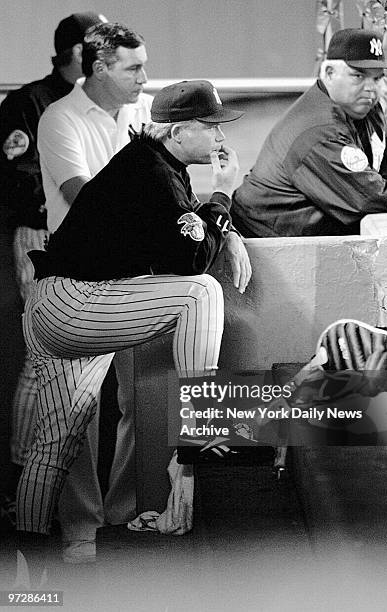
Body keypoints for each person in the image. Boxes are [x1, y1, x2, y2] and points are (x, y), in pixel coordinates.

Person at [16, 79, 244, 549]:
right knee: (199, 292)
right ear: (177, 132)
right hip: (78, 302)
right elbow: (193, 260)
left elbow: (179, 238)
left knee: (54, 446)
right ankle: (202, 422)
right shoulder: (153, 170)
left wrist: (225, 227)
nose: (222, 138)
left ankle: (31, 571)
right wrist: (223, 196)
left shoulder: (152, 163)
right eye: (211, 126)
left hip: (56, 304)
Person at [35, 21, 154, 563]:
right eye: (133, 68)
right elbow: (84, 200)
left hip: (138, 272)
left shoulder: (141, 113)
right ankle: (80, 531)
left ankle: (127, 514)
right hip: (79, 279)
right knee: (78, 411)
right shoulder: (59, 119)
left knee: (140, 399)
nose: (143, 78)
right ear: (100, 67)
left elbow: (163, 185)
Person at [0, 11, 106, 524]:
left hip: (82, 239)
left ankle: (48, 483)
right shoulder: (29, 102)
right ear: (77, 52)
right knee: (41, 357)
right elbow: (19, 182)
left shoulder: (99, 107)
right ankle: (18, 477)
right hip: (40, 236)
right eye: (97, 47)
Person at [231, 28, 387, 237]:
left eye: (377, 79)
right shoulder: (319, 131)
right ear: (329, 73)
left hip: (304, 237)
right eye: (358, 76)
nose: (371, 88)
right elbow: (370, 199)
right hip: (262, 243)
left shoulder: (368, 109)